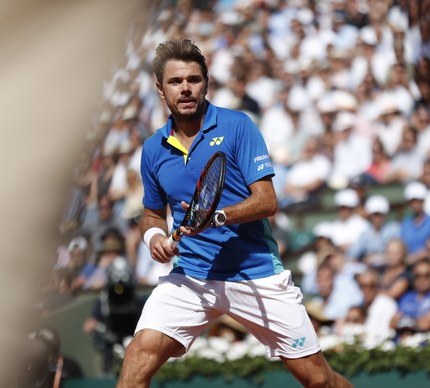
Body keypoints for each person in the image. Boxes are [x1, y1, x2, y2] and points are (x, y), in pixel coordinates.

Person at [117, 39, 353, 388]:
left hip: (255, 272)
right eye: (175, 81)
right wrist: (154, 237)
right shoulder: (153, 149)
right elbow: (152, 214)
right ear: (160, 88)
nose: (185, 88)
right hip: (192, 276)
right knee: (139, 356)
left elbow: (267, 201)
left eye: (193, 80)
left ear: (206, 83)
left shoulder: (238, 126)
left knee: (319, 381)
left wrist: (216, 217)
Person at [390, 258, 430, 336]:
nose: (422, 279)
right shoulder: (406, 297)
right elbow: (392, 323)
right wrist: (415, 321)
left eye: (426, 275)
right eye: (418, 276)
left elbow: (425, 325)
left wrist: (404, 322)